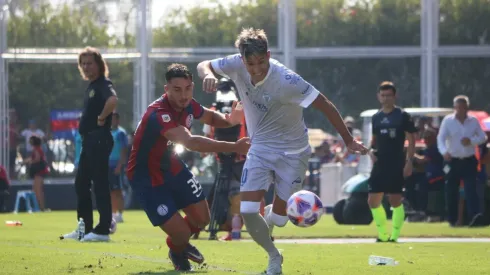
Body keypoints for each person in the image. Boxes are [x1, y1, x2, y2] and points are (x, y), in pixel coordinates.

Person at [197, 27, 368, 274]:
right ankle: (274, 257)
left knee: (279, 219)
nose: (255, 69)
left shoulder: (288, 81)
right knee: (246, 211)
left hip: (294, 152)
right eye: (250, 63)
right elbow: (205, 64)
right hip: (260, 148)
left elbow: (326, 105)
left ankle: (273, 217)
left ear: (268, 55)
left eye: (260, 62)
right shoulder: (235, 64)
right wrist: (206, 75)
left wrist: (349, 139)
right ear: (242, 58)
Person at [126, 63, 249, 271]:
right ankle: (177, 247)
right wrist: (234, 146)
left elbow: (209, 117)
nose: (184, 95)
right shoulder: (158, 114)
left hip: (171, 165)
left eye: (188, 88)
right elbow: (191, 143)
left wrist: (229, 121)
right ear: (166, 90)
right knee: (182, 233)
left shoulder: (189, 104)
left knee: (203, 218)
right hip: (147, 176)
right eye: (177, 90)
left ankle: (179, 245)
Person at [62, 47, 118, 242]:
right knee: (81, 183)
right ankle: (83, 229)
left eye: (89, 63)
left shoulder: (103, 83)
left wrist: (102, 117)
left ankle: (103, 230)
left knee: (100, 183)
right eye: (83, 64)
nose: (86, 67)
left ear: (99, 65)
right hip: (90, 140)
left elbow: (113, 100)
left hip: (99, 138)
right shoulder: (92, 86)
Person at [368, 81, 417, 242]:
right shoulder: (376, 117)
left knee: (395, 200)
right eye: (383, 95)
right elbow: (374, 141)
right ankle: (382, 235)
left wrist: (409, 162)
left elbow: (411, 140)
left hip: (397, 162)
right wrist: (370, 152)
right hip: (380, 163)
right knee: (372, 201)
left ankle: (394, 236)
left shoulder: (402, 116)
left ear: (395, 96)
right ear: (378, 97)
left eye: (389, 95)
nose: (386, 98)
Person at [437, 95, 487, 227]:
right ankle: (452, 220)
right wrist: (444, 152)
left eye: (463, 107)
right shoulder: (448, 121)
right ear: (454, 108)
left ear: (466, 108)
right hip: (452, 160)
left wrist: (471, 141)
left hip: (469, 160)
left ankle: (474, 218)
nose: (460, 110)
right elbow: (440, 139)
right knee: (451, 190)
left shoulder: (473, 121)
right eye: (458, 107)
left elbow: (482, 137)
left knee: (471, 190)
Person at [109, 112, 128, 223]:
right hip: (108, 165)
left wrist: (119, 165)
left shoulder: (121, 133)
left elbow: (123, 151)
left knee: (118, 190)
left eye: (114, 119)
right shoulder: (108, 132)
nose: (112, 121)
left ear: (118, 120)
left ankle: (120, 213)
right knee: (111, 190)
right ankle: (113, 212)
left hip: (117, 165)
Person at [26, 135, 49, 211]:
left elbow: (37, 159)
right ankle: (37, 207)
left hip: (39, 172)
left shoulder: (37, 149)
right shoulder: (38, 149)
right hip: (39, 172)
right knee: (35, 190)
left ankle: (41, 208)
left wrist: (30, 162)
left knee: (38, 190)